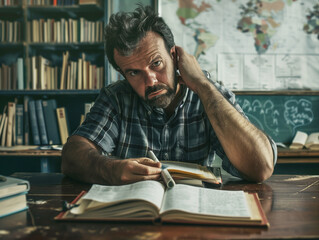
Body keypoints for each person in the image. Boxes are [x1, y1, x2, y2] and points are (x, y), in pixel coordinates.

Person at [61, 5, 277, 185]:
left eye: (156, 63)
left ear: (175, 56)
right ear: (122, 73)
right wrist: (110, 169)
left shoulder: (208, 93)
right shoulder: (116, 97)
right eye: (134, 72)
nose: (151, 81)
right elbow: (71, 157)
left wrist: (202, 84)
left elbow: (261, 167)